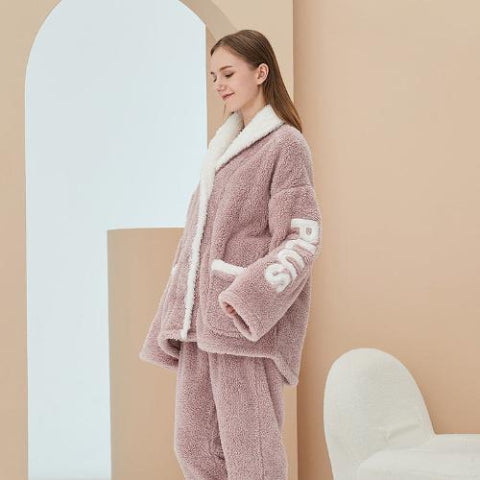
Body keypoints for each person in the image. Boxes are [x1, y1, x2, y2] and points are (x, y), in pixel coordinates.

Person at [139, 29, 322, 480]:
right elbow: (197, 239)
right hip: (201, 322)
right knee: (195, 447)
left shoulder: (285, 145)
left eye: (227, 73)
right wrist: (176, 311)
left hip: (241, 321)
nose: (219, 84)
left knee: (251, 452)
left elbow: (301, 237)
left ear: (260, 73)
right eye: (213, 76)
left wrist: (246, 298)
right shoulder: (221, 151)